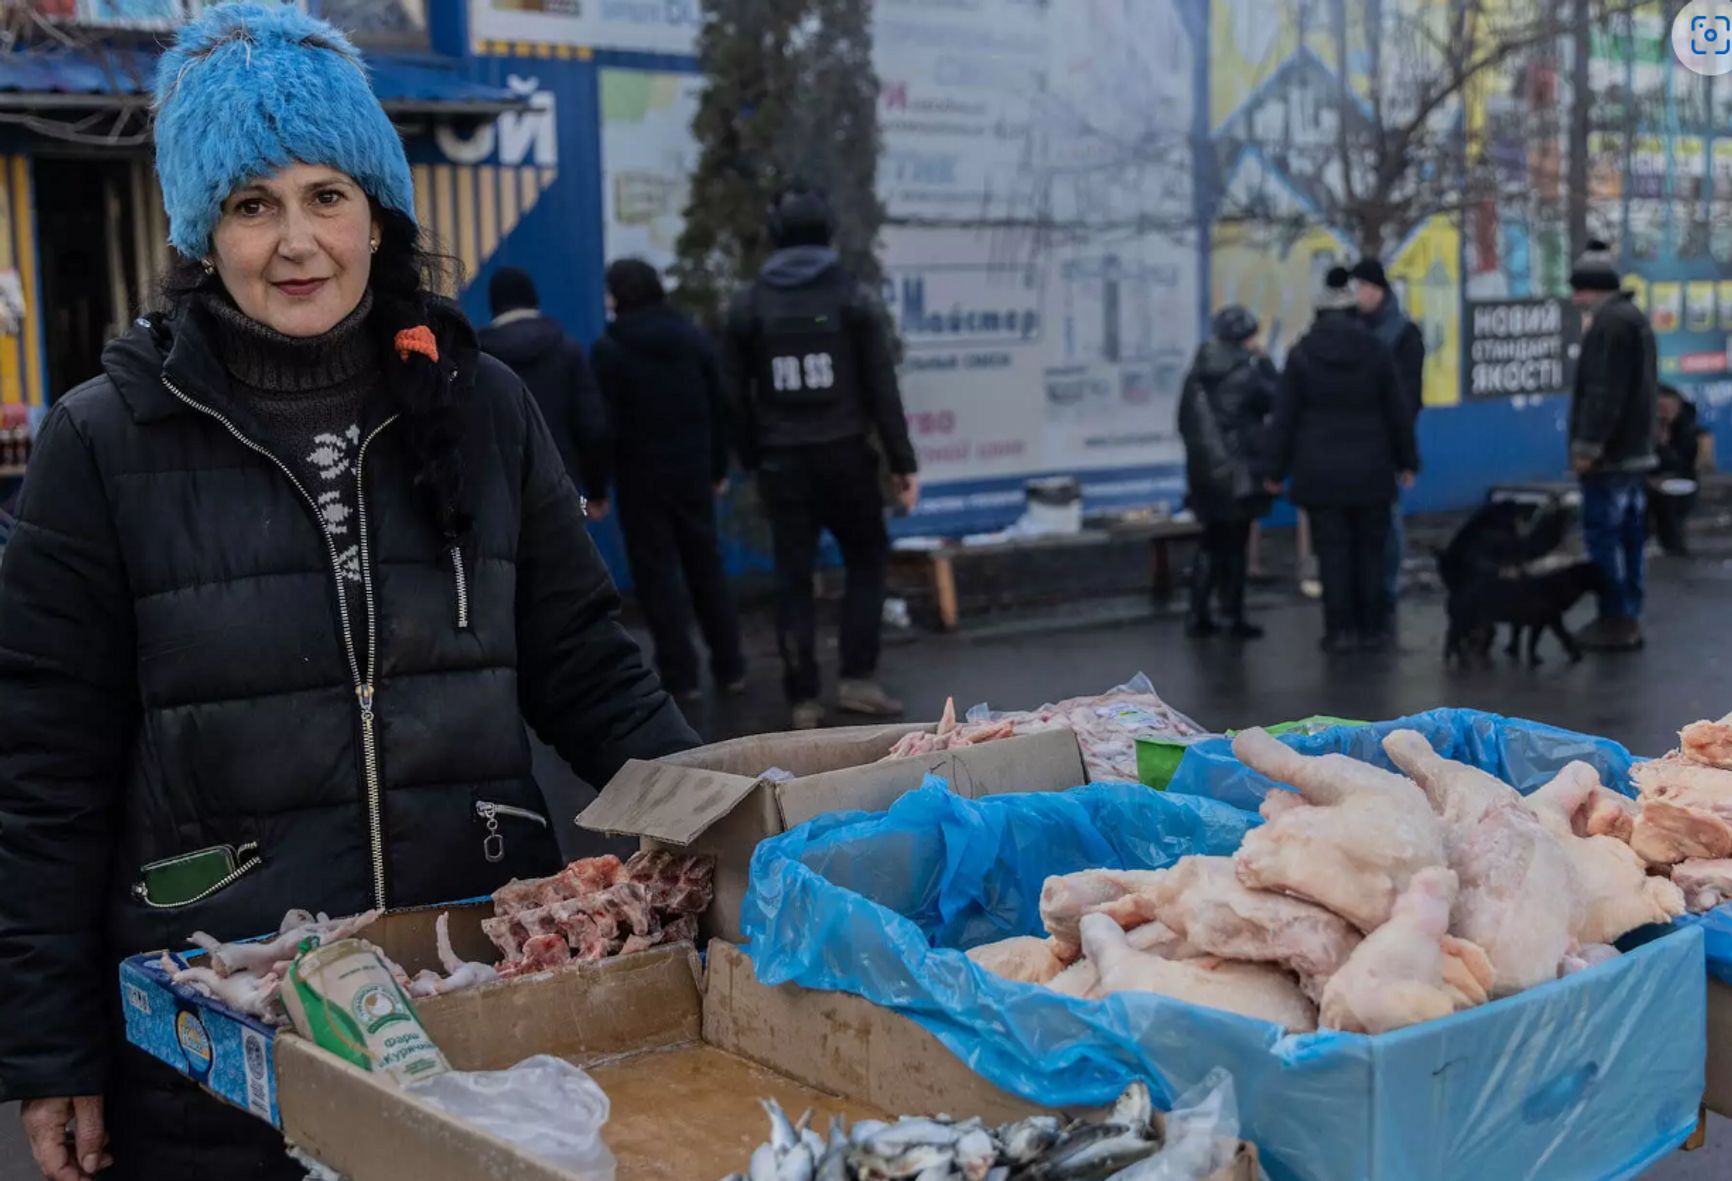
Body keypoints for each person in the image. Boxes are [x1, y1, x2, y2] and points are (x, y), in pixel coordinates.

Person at [0, 9, 697, 1180]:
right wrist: (49, 1044)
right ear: (201, 231)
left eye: (326, 193)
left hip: (470, 989)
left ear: (378, 211)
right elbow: (41, 770)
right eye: (251, 203)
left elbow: (588, 663)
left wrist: (727, 833)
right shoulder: (104, 440)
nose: (295, 241)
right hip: (222, 1034)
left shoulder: (483, 410)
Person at [721, 183, 919, 730]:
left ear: (775, 234)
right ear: (828, 231)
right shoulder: (852, 296)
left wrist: (751, 457)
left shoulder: (749, 302)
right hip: (846, 456)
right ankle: (857, 680)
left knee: (793, 575)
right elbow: (882, 386)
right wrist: (903, 462)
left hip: (783, 463)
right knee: (867, 558)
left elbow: (732, 396)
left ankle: (802, 697)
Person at [590, 258, 746, 701]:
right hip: (693, 472)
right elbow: (720, 409)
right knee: (706, 566)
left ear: (620, 296)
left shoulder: (610, 349)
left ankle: (682, 676)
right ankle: (731, 664)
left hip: (641, 479)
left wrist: (598, 487)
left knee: (658, 577)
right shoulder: (694, 339)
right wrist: (717, 469)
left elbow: (604, 426)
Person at [1265, 268, 1418, 653]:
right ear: (1353, 313)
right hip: (1372, 469)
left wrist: (1273, 469)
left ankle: (1339, 631)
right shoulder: (1376, 351)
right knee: (1370, 551)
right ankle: (1372, 629)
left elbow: (1285, 417)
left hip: (1320, 473)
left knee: (1332, 553)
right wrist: (1407, 460)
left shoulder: (1301, 354)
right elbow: (1396, 411)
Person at [1568, 239, 1658, 651]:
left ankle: (1615, 618)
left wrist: (1587, 447)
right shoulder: (1633, 317)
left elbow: (1604, 393)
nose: (1573, 299)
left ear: (1591, 289)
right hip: (1635, 452)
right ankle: (1629, 614)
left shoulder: (1608, 325)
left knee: (1604, 536)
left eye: (1578, 290)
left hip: (1610, 457)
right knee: (1630, 537)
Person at [1177, 304, 1278, 639]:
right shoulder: (1247, 373)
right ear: (1245, 338)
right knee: (1235, 543)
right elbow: (1277, 399)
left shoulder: (1197, 372)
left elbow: (1183, 422)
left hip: (1204, 472)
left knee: (1211, 540)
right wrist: (1265, 361)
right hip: (1237, 471)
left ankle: (1198, 613)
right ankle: (1233, 616)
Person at [477, 265, 608, 502]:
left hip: (498, 491)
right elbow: (591, 427)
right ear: (534, 299)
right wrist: (597, 492)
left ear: (493, 304)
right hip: (561, 484)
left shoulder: (478, 357)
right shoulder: (568, 350)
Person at [1350, 257, 1426, 605]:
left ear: (1379, 290)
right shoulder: (1348, 329)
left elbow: (1409, 396)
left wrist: (1402, 445)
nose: (1359, 295)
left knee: (1387, 515)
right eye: (1356, 288)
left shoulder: (1403, 334)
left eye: (1364, 288)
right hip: (1350, 436)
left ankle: (1386, 586)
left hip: (1383, 438)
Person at [1650, 385, 1704, 557]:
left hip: (1680, 480)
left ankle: (1673, 543)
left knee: (1669, 500)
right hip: (1651, 479)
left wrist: (1665, 445)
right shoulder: (1647, 429)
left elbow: (1688, 462)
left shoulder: (1687, 429)